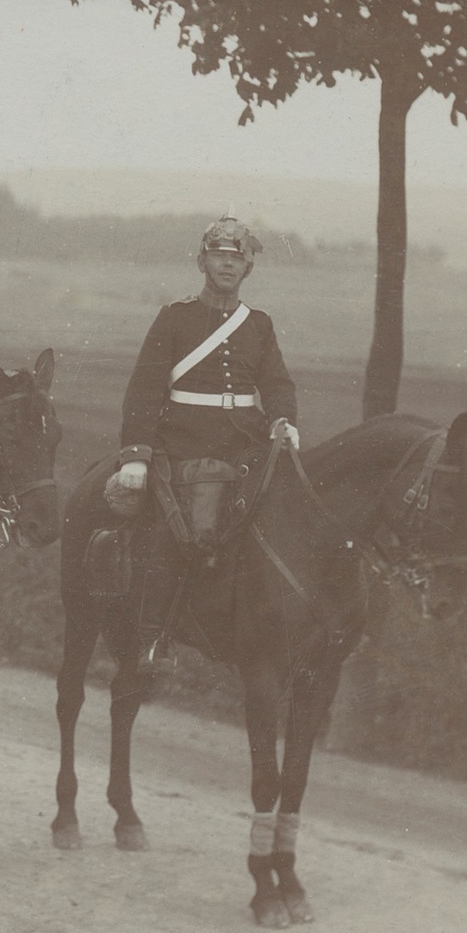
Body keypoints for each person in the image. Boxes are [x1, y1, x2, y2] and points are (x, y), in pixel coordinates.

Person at [112, 215, 298, 662]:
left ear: (248, 268)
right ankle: (153, 636)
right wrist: (136, 455)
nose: (228, 266)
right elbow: (144, 388)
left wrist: (283, 420)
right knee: (169, 528)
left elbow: (276, 384)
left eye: (238, 258)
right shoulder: (175, 318)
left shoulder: (260, 324)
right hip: (184, 441)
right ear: (202, 262)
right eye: (219, 256)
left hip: (244, 443)